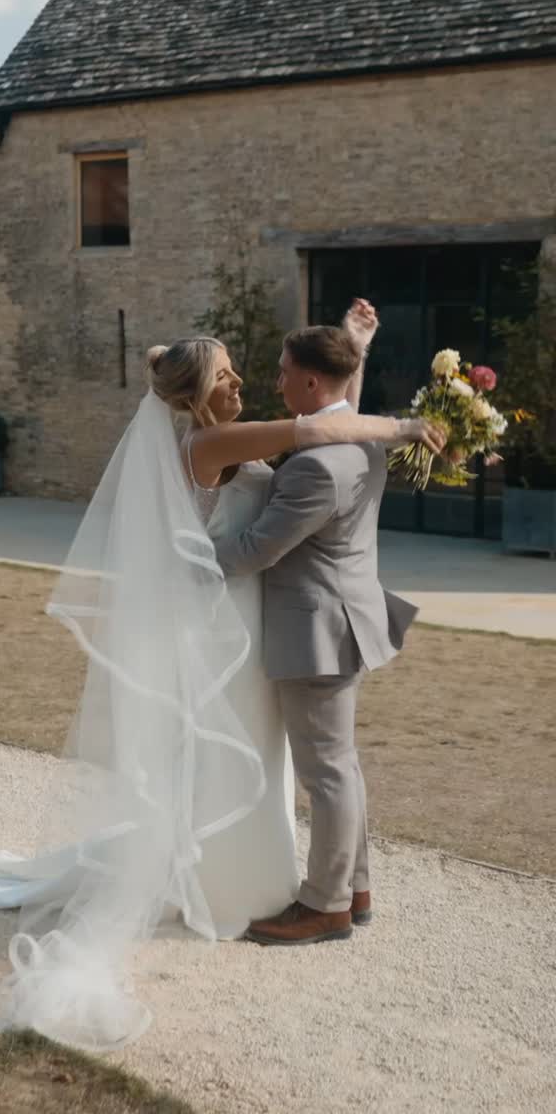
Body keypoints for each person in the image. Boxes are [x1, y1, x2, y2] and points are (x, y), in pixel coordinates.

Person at [0, 300, 444, 1048]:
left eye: (241, 374)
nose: (242, 383)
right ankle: (245, 883)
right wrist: (400, 425)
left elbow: (325, 425)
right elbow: (318, 430)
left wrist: (354, 352)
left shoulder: (216, 437)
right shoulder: (211, 442)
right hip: (231, 619)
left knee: (284, 757)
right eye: (228, 375)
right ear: (199, 394)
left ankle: (308, 889)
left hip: (255, 619)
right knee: (259, 757)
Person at [214, 320, 421, 945]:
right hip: (346, 617)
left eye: (281, 372)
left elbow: (255, 551)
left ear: (309, 380)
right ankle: (353, 887)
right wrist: (358, 346)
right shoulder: (360, 440)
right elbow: (345, 409)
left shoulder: (315, 468)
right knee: (342, 766)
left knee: (327, 772)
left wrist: (184, 552)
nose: (275, 382)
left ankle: (326, 904)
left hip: (317, 629)